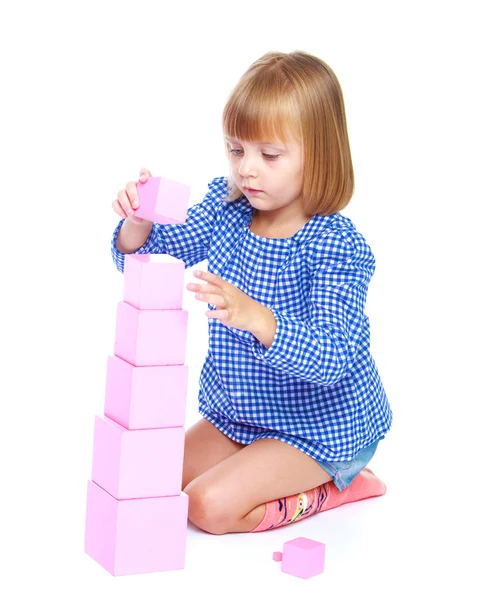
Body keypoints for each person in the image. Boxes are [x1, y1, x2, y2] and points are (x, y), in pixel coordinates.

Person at [110, 50, 393, 535]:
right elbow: (152, 255)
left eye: (270, 154)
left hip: (319, 429)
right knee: (146, 476)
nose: (248, 169)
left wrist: (258, 317)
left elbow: (333, 359)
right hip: (241, 414)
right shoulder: (227, 207)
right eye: (237, 150)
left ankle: (341, 485)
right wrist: (137, 224)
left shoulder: (336, 246)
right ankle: (261, 464)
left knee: (207, 507)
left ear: (319, 153)